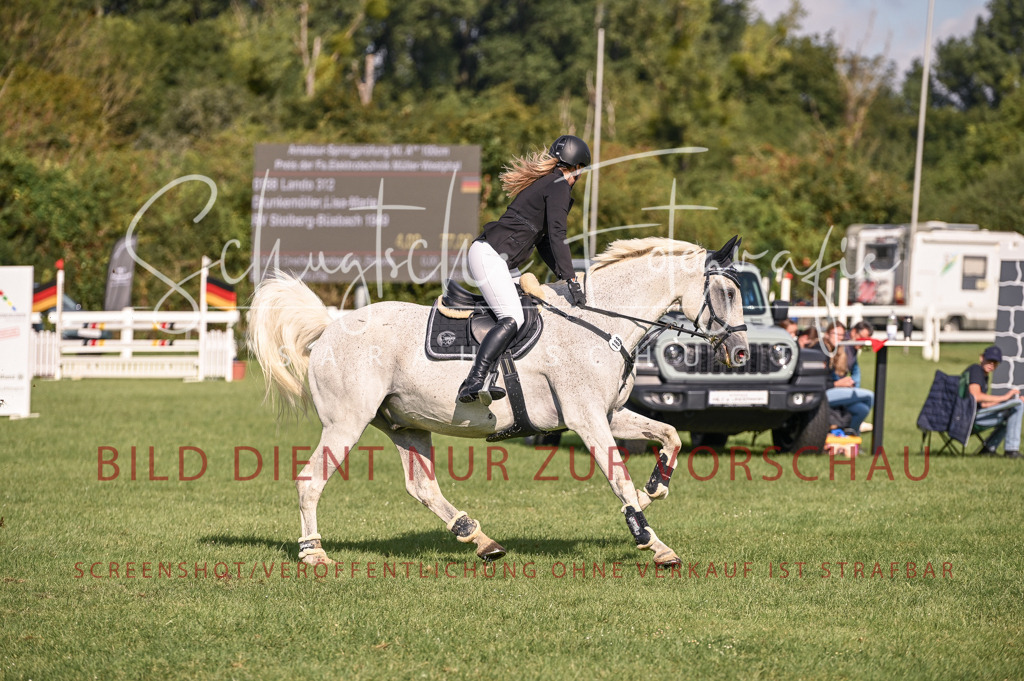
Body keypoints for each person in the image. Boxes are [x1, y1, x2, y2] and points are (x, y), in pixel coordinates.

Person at [457, 135, 590, 403]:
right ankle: (474, 380)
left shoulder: (550, 183)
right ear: (575, 167)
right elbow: (557, 234)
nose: (578, 178)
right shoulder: (559, 185)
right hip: (490, 255)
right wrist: (573, 279)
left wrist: (564, 278)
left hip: (499, 260)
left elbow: (544, 243)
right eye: (580, 172)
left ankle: (500, 375)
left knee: (531, 312)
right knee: (513, 317)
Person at [965, 345, 1023, 458]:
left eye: (995, 362)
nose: (992, 364)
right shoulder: (976, 370)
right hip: (968, 419)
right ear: (982, 358)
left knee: (1014, 408)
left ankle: (989, 449)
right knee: (1018, 406)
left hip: (974, 415)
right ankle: (1011, 450)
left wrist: (1009, 402)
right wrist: (1005, 398)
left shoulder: (983, 376)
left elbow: (983, 405)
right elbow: (975, 396)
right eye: (989, 360)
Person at [822, 322, 874, 435]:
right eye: (861, 338)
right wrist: (840, 384)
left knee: (862, 409)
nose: (862, 342)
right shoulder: (829, 348)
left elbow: (856, 371)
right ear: (854, 332)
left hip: (840, 388)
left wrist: (854, 388)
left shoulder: (847, 349)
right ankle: (849, 432)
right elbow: (830, 375)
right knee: (870, 396)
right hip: (828, 389)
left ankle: (850, 438)